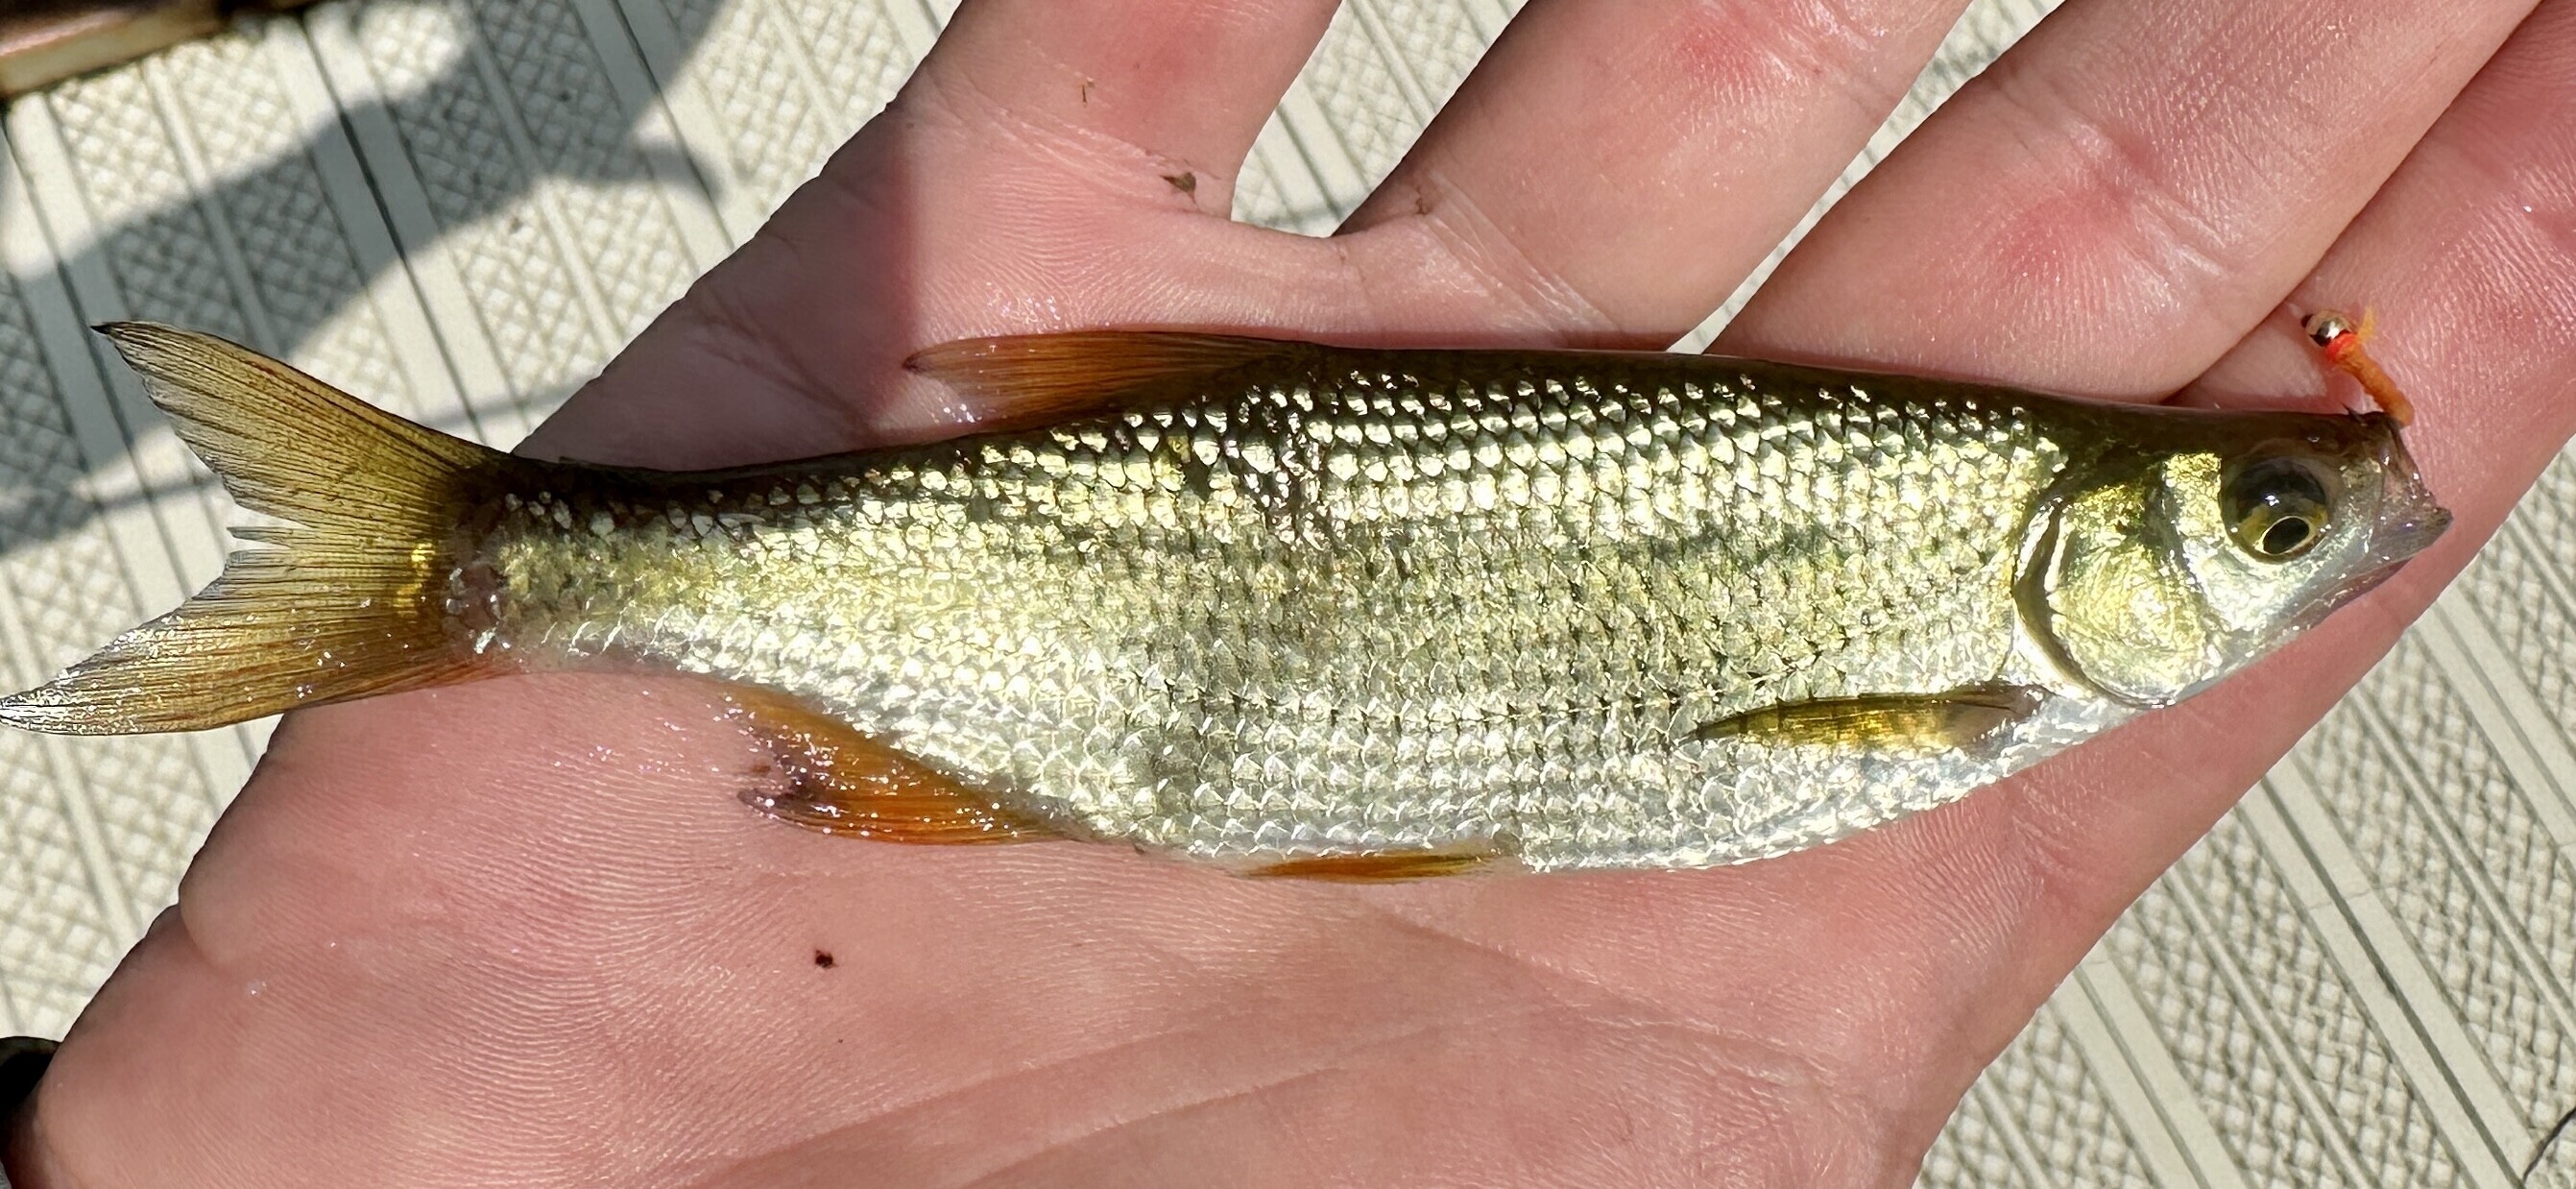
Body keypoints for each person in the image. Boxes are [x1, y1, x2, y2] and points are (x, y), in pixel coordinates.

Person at [6, 0, 2571, 1182]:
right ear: (2089, 547)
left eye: (2265, 521)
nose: (2314, 538)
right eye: (2260, 524)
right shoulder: (1962, 632)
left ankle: (483, 559)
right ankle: (481, 558)